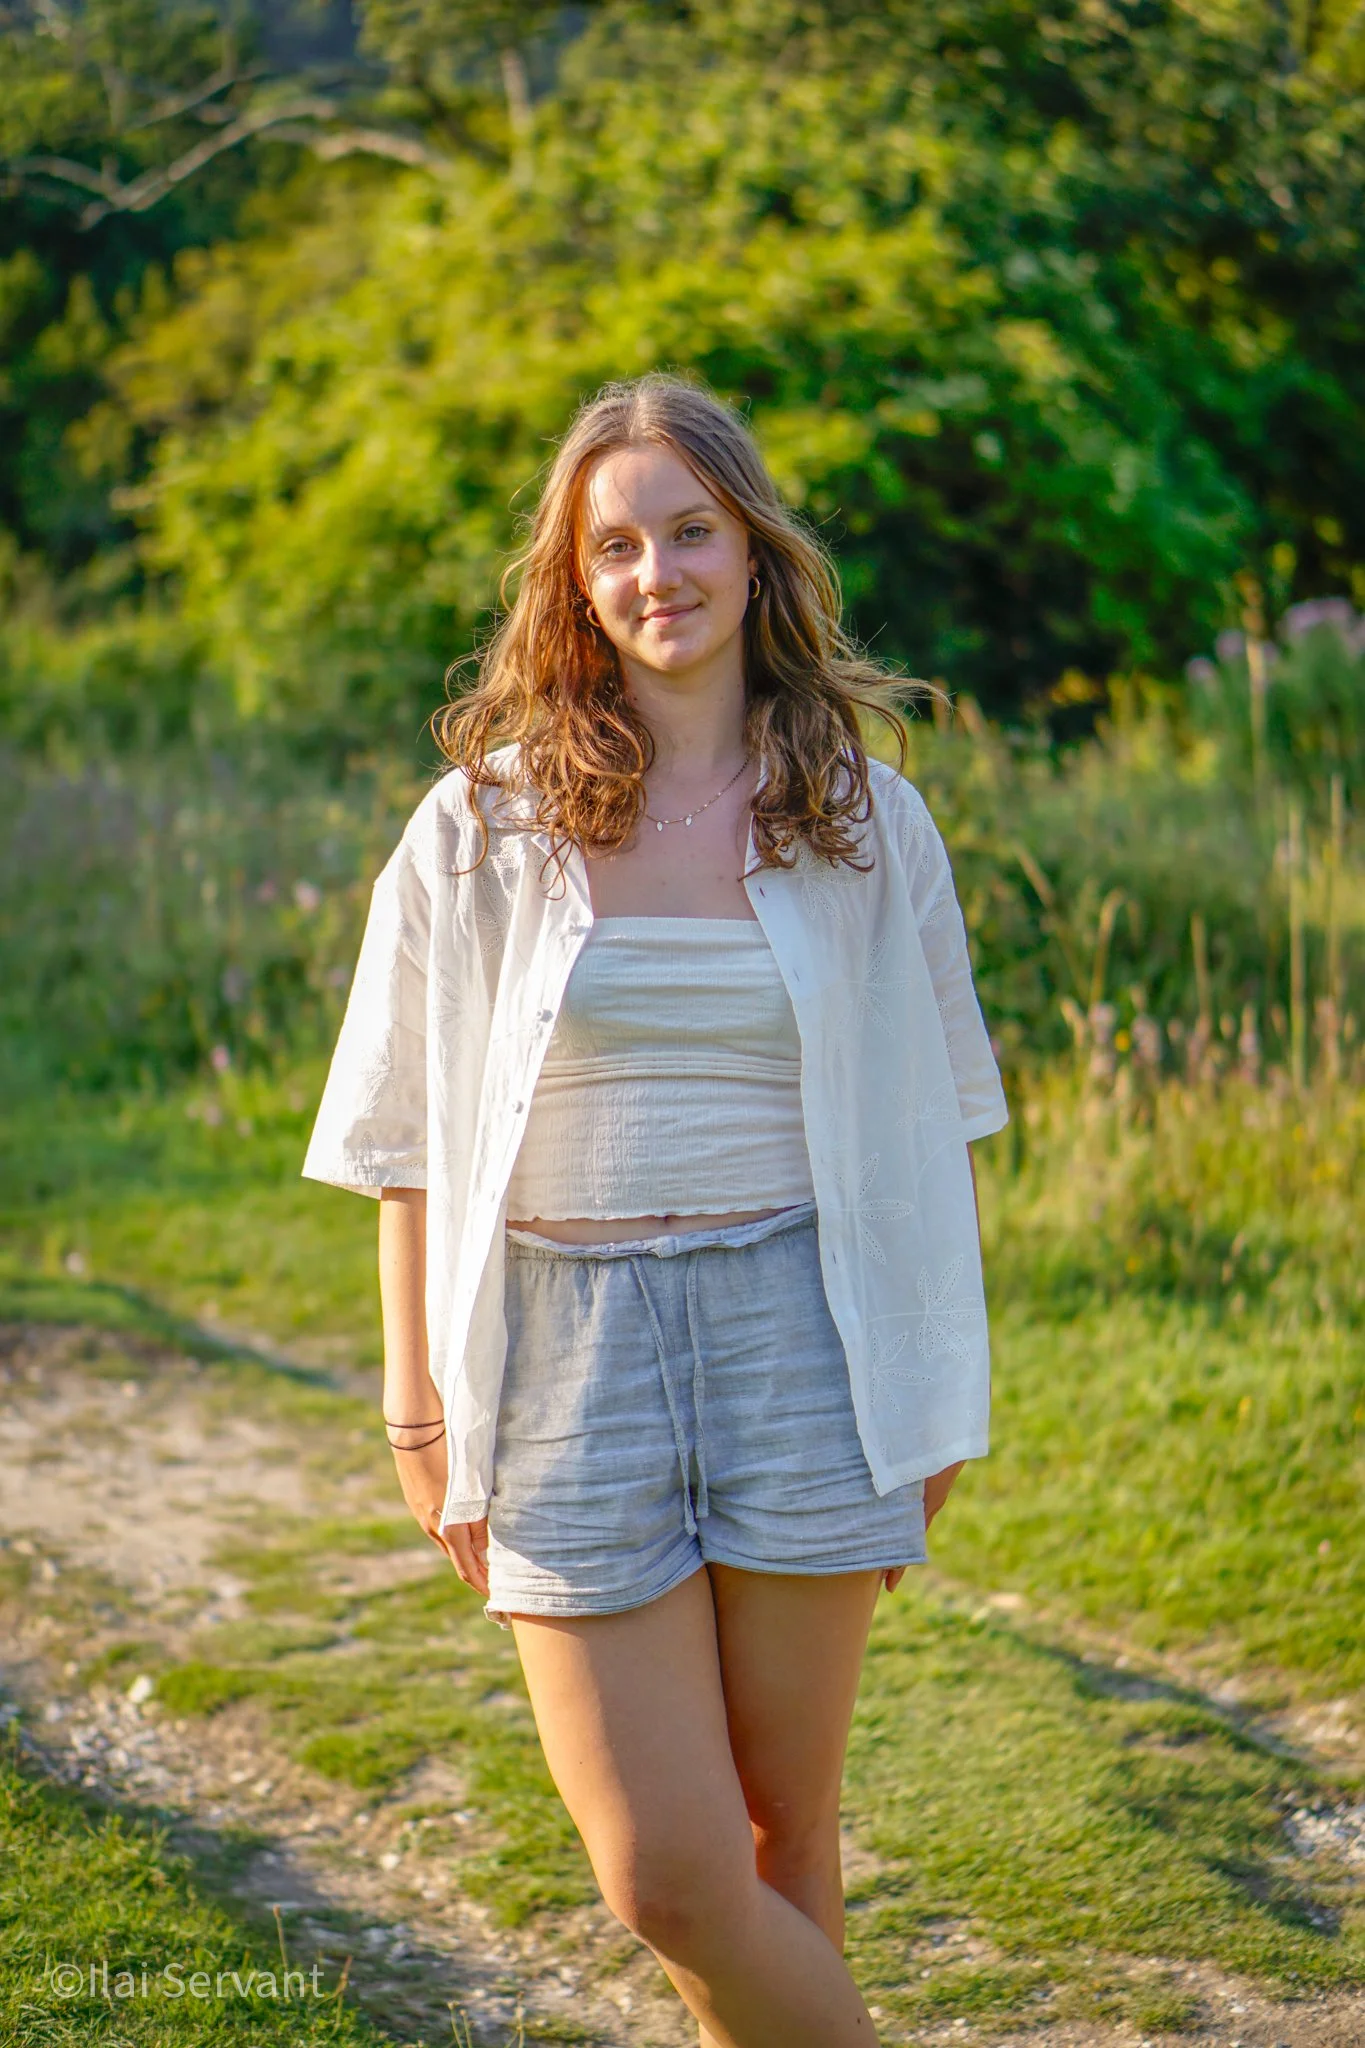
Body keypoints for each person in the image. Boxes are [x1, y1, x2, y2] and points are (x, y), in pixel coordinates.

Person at [302, 371, 1008, 2047]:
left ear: (753, 551)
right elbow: (403, 1135)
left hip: (808, 1341)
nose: (656, 573)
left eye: (690, 532)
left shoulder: (868, 819)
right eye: (615, 545)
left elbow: (935, 1128)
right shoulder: (481, 825)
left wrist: (932, 1389)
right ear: (577, 579)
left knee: (785, 1836)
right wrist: (416, 1407)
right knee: (669, 1878)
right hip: (566, 1357)